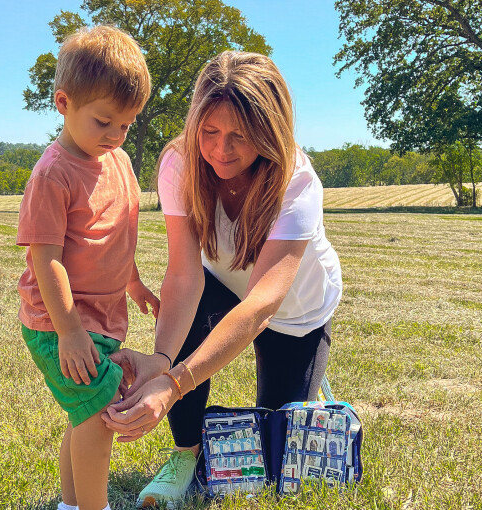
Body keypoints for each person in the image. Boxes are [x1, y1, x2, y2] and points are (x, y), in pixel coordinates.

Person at [102, 51, 342, 508]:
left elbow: (260, 306)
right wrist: (161, 359)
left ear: (269, 131)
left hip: (293, 311)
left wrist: (173, 383)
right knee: (188, 319)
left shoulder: (297, 180)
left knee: (276, 457)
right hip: (220, 285)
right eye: (209, 131)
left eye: (240, 135)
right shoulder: (179, 163)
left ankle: (308, 384)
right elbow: (183, 274)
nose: (221, 149)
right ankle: (185, 454)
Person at [16, 25, 159, 510]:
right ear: (63, 103)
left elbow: (117, 229)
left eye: (126, 124)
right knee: (101, 415)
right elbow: (46, 259)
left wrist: (133, 280)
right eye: (104, 122)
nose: (116, 135)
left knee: (86, 415)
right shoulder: (53, 174)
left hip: (103, 318)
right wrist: (70, 332)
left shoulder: (116, 160)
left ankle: (72, 504)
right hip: (60, 323)